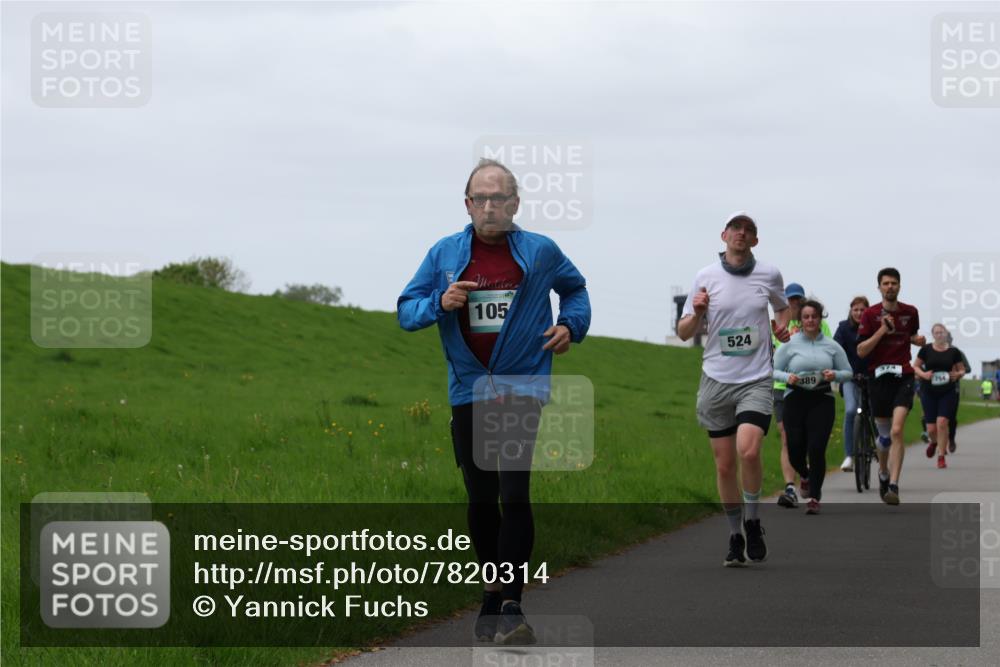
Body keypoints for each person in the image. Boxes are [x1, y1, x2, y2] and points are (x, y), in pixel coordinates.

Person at [397, 158, 591, 644]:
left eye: (499, 198)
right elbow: (405, 310)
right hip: (467, 387)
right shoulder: (444, 254)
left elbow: (576, 289)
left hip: (521, 384)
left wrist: (571, 325)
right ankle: (492, 591)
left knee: (513, 490)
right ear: (467, 205)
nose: (489, 206)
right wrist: (439, 303)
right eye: (480, 198)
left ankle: (510, 604)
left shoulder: (540, 251)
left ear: (515, 203)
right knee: (481, 498)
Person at [678, 212, 790, 567]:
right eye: (736, 229)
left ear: (755, 241)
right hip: (716, 379)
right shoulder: (705, 277)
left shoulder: (769, 274)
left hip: (755, 378)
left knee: (749, 451)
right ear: (724, 235)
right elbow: (684, 332)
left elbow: (783, 309)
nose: (742, 234)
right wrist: (696, 314)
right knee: (725, 466)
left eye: (749, 231)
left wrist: (781, 328)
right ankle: (734, 534)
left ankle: (753, 521)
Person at [773, 300, 853, 514]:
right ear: (800, 319)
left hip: (822, 399)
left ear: (820, 319)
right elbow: (773, 369)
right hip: (795, 399)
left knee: (817, 449)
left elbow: (848, 372)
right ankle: (805, 475)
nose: (810, 320)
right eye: (806, 317)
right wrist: (787, 377)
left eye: (814, 317)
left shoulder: (831, 345)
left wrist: (835, 375)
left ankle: (815, 497)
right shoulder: (789, 345)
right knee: (795, 448)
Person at [856, 268, 926, 505]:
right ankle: (883, 472)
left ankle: (894, 485)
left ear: (899, 286)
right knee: (884, 437)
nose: (890, 287)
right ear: (879, 287)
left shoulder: (910, 312)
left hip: (903, 377)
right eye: (885, 283)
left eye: (894, 283)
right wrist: (882, 330)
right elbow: (861, 350)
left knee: (897, 431)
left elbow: (912, 334)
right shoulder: (870, 314)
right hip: (878, 378)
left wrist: (917, 340)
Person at [772, 282, 832, 508]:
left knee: (812, 442)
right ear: (785, 303)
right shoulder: (778, 325)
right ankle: (790, 486)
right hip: (783, 389)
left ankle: (810, 481)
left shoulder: (818, 324)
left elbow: (828, 348)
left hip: (814, 391)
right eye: (791, 300)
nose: (795, 304)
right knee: (787, 437)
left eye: (798, 300)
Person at [913, 324, 967, 469]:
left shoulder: (954, 352)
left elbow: (962, 369)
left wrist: (958, 374)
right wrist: (924, 374)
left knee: (942, 422)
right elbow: (915, 367)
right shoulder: (926, 350)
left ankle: (941, 457)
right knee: (931, 429)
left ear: (946, 334)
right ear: (933, 335)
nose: (939, 335)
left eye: (941, 332)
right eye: (936, 333)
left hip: (947, 391)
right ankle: (934, 442)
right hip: (928, 391)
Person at [833, 296, 870, 472]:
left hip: (871, 377)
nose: (859, 313)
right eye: (855, 309)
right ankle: (849, 455)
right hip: (850, 377)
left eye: (862, 310)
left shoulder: (873, 327)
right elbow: (835, 348)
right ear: (851, 311)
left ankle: (873, 442)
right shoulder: (843, 327)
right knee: (850, 410)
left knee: (873, 412)